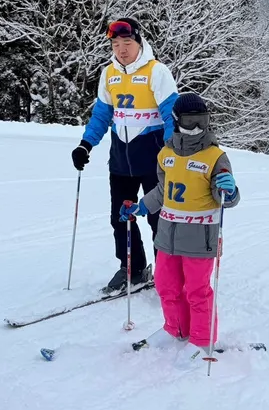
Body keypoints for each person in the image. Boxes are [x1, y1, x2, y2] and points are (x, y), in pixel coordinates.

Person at [120, 92, 240, 355]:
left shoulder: (215, 156)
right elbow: (163, 190)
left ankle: (201, 340)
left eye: (202, 121)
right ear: (176, 121)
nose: (196, 127)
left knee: (197, 290)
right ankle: (175, 330)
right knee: (166, 286)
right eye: (189, 121)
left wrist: (229, 191)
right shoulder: (166, 154)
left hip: (200, 236)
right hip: (167, 235)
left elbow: (226, 197)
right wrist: (141, 207)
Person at [71, 18, 178, 292]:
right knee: (121, 216)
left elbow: (171, 116)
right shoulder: (109, 74)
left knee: (157, 218)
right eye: (116, 44)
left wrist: (171, 152)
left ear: (139, 42)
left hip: (153, 159)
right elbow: (102, 115)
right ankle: (132, 268)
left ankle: (166, 270)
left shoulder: (157, 72)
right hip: (120, 160)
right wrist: (86, 144)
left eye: (127, 43)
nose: (121, 49)